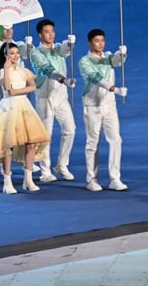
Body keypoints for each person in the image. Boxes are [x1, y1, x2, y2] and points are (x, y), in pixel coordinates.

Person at [0, 42, 51, 194]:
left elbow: (33, 86)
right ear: (6, 56)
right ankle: (7, 181)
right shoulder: (2, 71)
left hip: (24, 105)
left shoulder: (24, 71)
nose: (15, 56)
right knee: (9, 145)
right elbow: (7, 87)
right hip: (9, 107)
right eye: (11, 53)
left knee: (31, 143)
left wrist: (19, 90)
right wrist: (6, 68)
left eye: (17, 53)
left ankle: (28, 179)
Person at [28, 18, 77, 183]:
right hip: (45, 97)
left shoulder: (57, 49)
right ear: (40, 34)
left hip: (61, 97)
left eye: (52, 31)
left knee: (70, 130)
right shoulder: (35, 53)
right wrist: (63, 79)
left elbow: (65, 51)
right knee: (45, 135)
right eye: (47, 32)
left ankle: (62, 165)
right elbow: (47, 69)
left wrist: (70, 43)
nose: (50, 34)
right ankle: (45, 171)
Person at [78, 29, 128, 192]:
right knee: (93, 142)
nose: (100, 43)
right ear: (89, 43)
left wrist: (122, 54)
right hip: (92, 105)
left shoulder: (107, 57)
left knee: (116, 140)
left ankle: (115, 178)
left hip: (109, 105)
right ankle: (91, 179)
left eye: (102, 40)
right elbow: (95, 78)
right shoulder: (84, 61)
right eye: (97, 41)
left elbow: (117, 62)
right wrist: (115, 89)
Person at [0, 24, 28, 111]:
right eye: (5, 29)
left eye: (11, 28)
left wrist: (29, 46)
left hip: (19, 86)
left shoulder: (19, 45)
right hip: (2, 88)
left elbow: (26, 54)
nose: (9, 31)